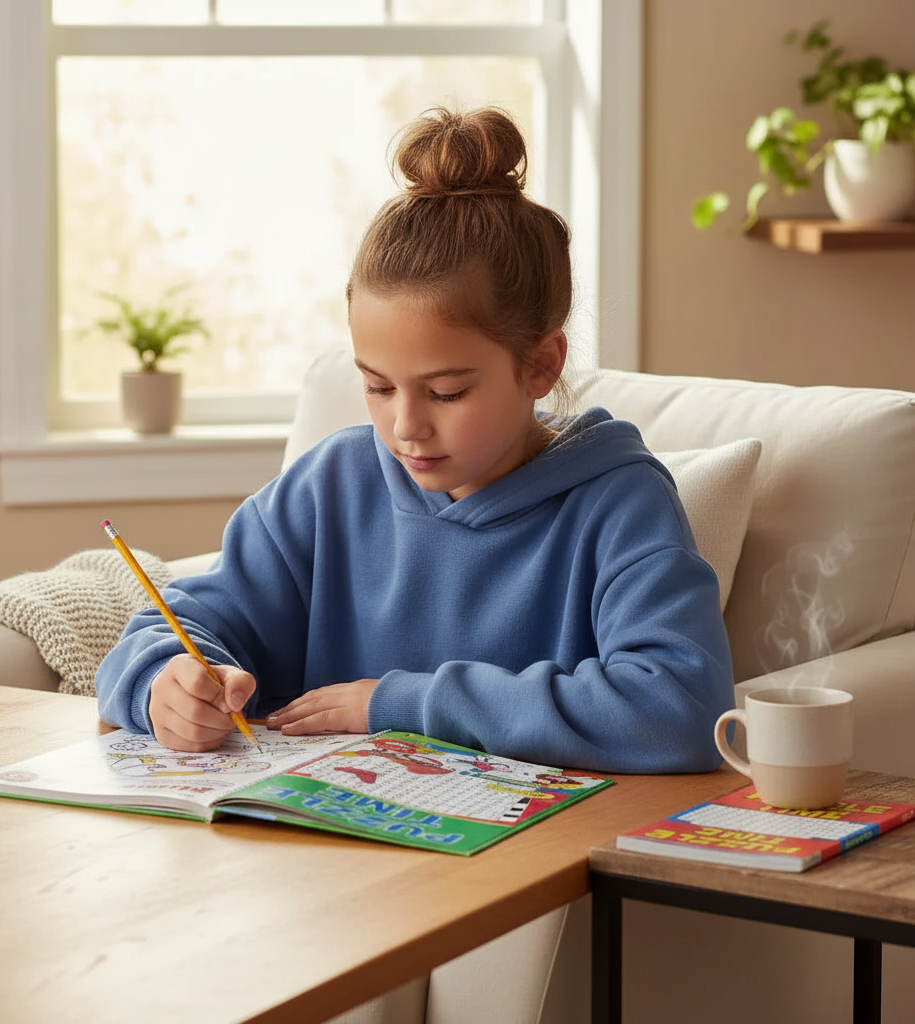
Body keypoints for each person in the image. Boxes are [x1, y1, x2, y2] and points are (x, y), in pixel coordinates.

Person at [95, 106, 734, 777]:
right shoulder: (328, 487)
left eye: (446, 392)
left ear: (541, 365)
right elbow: (169, 632)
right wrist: (165, 684)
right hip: (316, 861)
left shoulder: (617, 502)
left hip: (515, 865)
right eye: (376, 387)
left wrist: (399, 703)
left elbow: (683, 708)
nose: (406, 426)